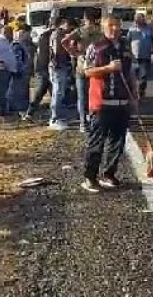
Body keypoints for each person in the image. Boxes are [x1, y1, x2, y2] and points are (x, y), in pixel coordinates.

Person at [80, 16, 137, 193]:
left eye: (117, 26)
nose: (114, 29)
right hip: (101, 102)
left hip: (122, 102)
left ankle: (109, 174)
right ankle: (90, 177)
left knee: (118, 142)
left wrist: (134, 95)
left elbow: (130, 73)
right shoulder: (96, 47)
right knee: (96, 142)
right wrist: (109, 68)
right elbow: (87, 71)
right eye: (111, 26)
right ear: (103, 28)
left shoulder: (125, 47)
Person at [62, 12, 104, 132]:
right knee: (95, 95)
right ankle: (93, 119)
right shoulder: (99, 31)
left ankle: (83, 123)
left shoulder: (80, 31)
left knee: (81, 96)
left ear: (84, 18)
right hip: (95, 66)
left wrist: (73, 53)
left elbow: (64, 41)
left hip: (82, 64)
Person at [23, 18, 57, 120]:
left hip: (41, 67)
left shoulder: (43, 35)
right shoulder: (53, 35)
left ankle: (31, 113)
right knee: (50, 93)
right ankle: (54, 115)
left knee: (42, 93)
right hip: (47, 67)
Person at [48, 18, 73, 130]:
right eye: (68, 26)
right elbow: (56, 51)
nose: (70, 29)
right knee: (57, 92)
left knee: (59, 92)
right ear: (63, 24)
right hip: (58, 67)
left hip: (59, 66)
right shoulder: (58, 34)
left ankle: (57, 117)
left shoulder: (60, 34)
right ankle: (54, 118)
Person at [127, 12, 153, 98]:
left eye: (140, 18)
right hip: (134, 57)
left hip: (145, 56)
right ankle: (133, 92)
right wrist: (129, 53)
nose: (138, 20)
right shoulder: (131, 30)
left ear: (143, 19)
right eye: (136, 19)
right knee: (133, 77)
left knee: (143, 76)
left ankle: (141, 91)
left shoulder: (149, 29)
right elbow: (127, 42)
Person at [0, 25, 18, 116]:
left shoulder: (5, 41)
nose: (12, 34)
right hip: (2, 69)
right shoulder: (0, 41)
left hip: (6, 69)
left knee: (0, 90)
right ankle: (2, 110)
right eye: (10, 33)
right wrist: (4, 63)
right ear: (6, 32)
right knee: (2, 91)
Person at [7, 29, 32, 113]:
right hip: (19, 72)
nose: (28, 36)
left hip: (19, 72)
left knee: (19, 90)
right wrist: (20, 71)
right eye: (26, 34)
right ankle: (17, 107)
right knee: (17, 90)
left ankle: (20, 105)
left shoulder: (19, 45)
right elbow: (17, 60)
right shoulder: (17, 46)